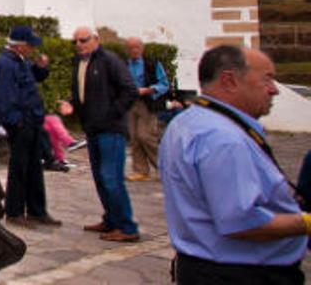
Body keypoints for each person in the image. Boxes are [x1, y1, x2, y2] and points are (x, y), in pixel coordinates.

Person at [159, 45, 309, 284]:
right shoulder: (224, 139)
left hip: (207, 267)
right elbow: (243, 222)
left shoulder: (188, 122)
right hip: (241, 274)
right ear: (229, 81)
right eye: (267, 79)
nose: (274, 90)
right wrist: (306, 222)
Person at [58, 26, 139, 242]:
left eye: (83, 40)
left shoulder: (110, 61)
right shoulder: (79, 63)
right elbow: (82, 92)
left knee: (111, 178)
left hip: (110, 130)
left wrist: (112, 115)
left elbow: (129, 90)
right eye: (75, 41)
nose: (79, 45)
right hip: (92, 128)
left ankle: (127, 226)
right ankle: (112, 219)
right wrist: (72, 103)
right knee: (101, 178)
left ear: (95, 40)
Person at [0, 25, 61, 227]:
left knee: (34, 167)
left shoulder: (20, 61)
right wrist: (17, 121)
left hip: (32, 120)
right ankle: (14, 211)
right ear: (20, 46)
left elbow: (35, 78)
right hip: (22, 122)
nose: (32, 49)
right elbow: (5, 97)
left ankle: (37, 210)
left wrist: (41, 67)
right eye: (30, 45)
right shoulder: (6, 64)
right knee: (19, 167)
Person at [123, 37, 168, 182]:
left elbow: (164, 84)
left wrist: (149, 90)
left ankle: (164, 168)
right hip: (129, 103)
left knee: (146, 136)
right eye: (130, 48)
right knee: (134, 137)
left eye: (136, 47)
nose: (133, 51)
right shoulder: (123, 64)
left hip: (147, 102)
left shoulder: (152, 64)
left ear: (142, 48)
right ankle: (141, 170)